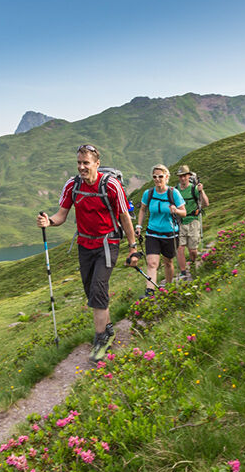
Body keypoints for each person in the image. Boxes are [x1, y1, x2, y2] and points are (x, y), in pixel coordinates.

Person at [37, 144, 138, 361]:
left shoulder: (111, 186)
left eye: (86, 163)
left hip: (107, 244)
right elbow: (62, 215)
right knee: (92, 292)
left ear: (96, 164)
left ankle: (101, 339)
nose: (82, 167)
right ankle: (108, 329)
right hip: (85, 245)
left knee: (98, 288)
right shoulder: (72, 185)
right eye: (79, 163)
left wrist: (133, 247)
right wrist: (49, 222)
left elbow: (124, 217)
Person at [134, 165, 186, 297]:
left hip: (170, 234)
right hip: (152, 233)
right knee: (152, 263)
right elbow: (142, 209)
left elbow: (184, 212)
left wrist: (176, 210)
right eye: (155, 177)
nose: (157, 179)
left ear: (167, 177)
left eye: (160, 176)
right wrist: (139, 226)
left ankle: (168, 288)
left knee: (168, 262)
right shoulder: (149, 193)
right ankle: (149, 292)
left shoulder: (173, 193)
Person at [175, 164, 209, 280]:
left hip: (193, 221)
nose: (182, 178)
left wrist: (201, 191)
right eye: (180, 176)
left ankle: (193, 262)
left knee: (192, 250)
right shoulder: (176, 190)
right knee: (180, 248)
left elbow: (205, 204)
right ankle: (183, 272)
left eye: (184, 176)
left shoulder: (194, 188)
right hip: (180, 222)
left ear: (188, 176)